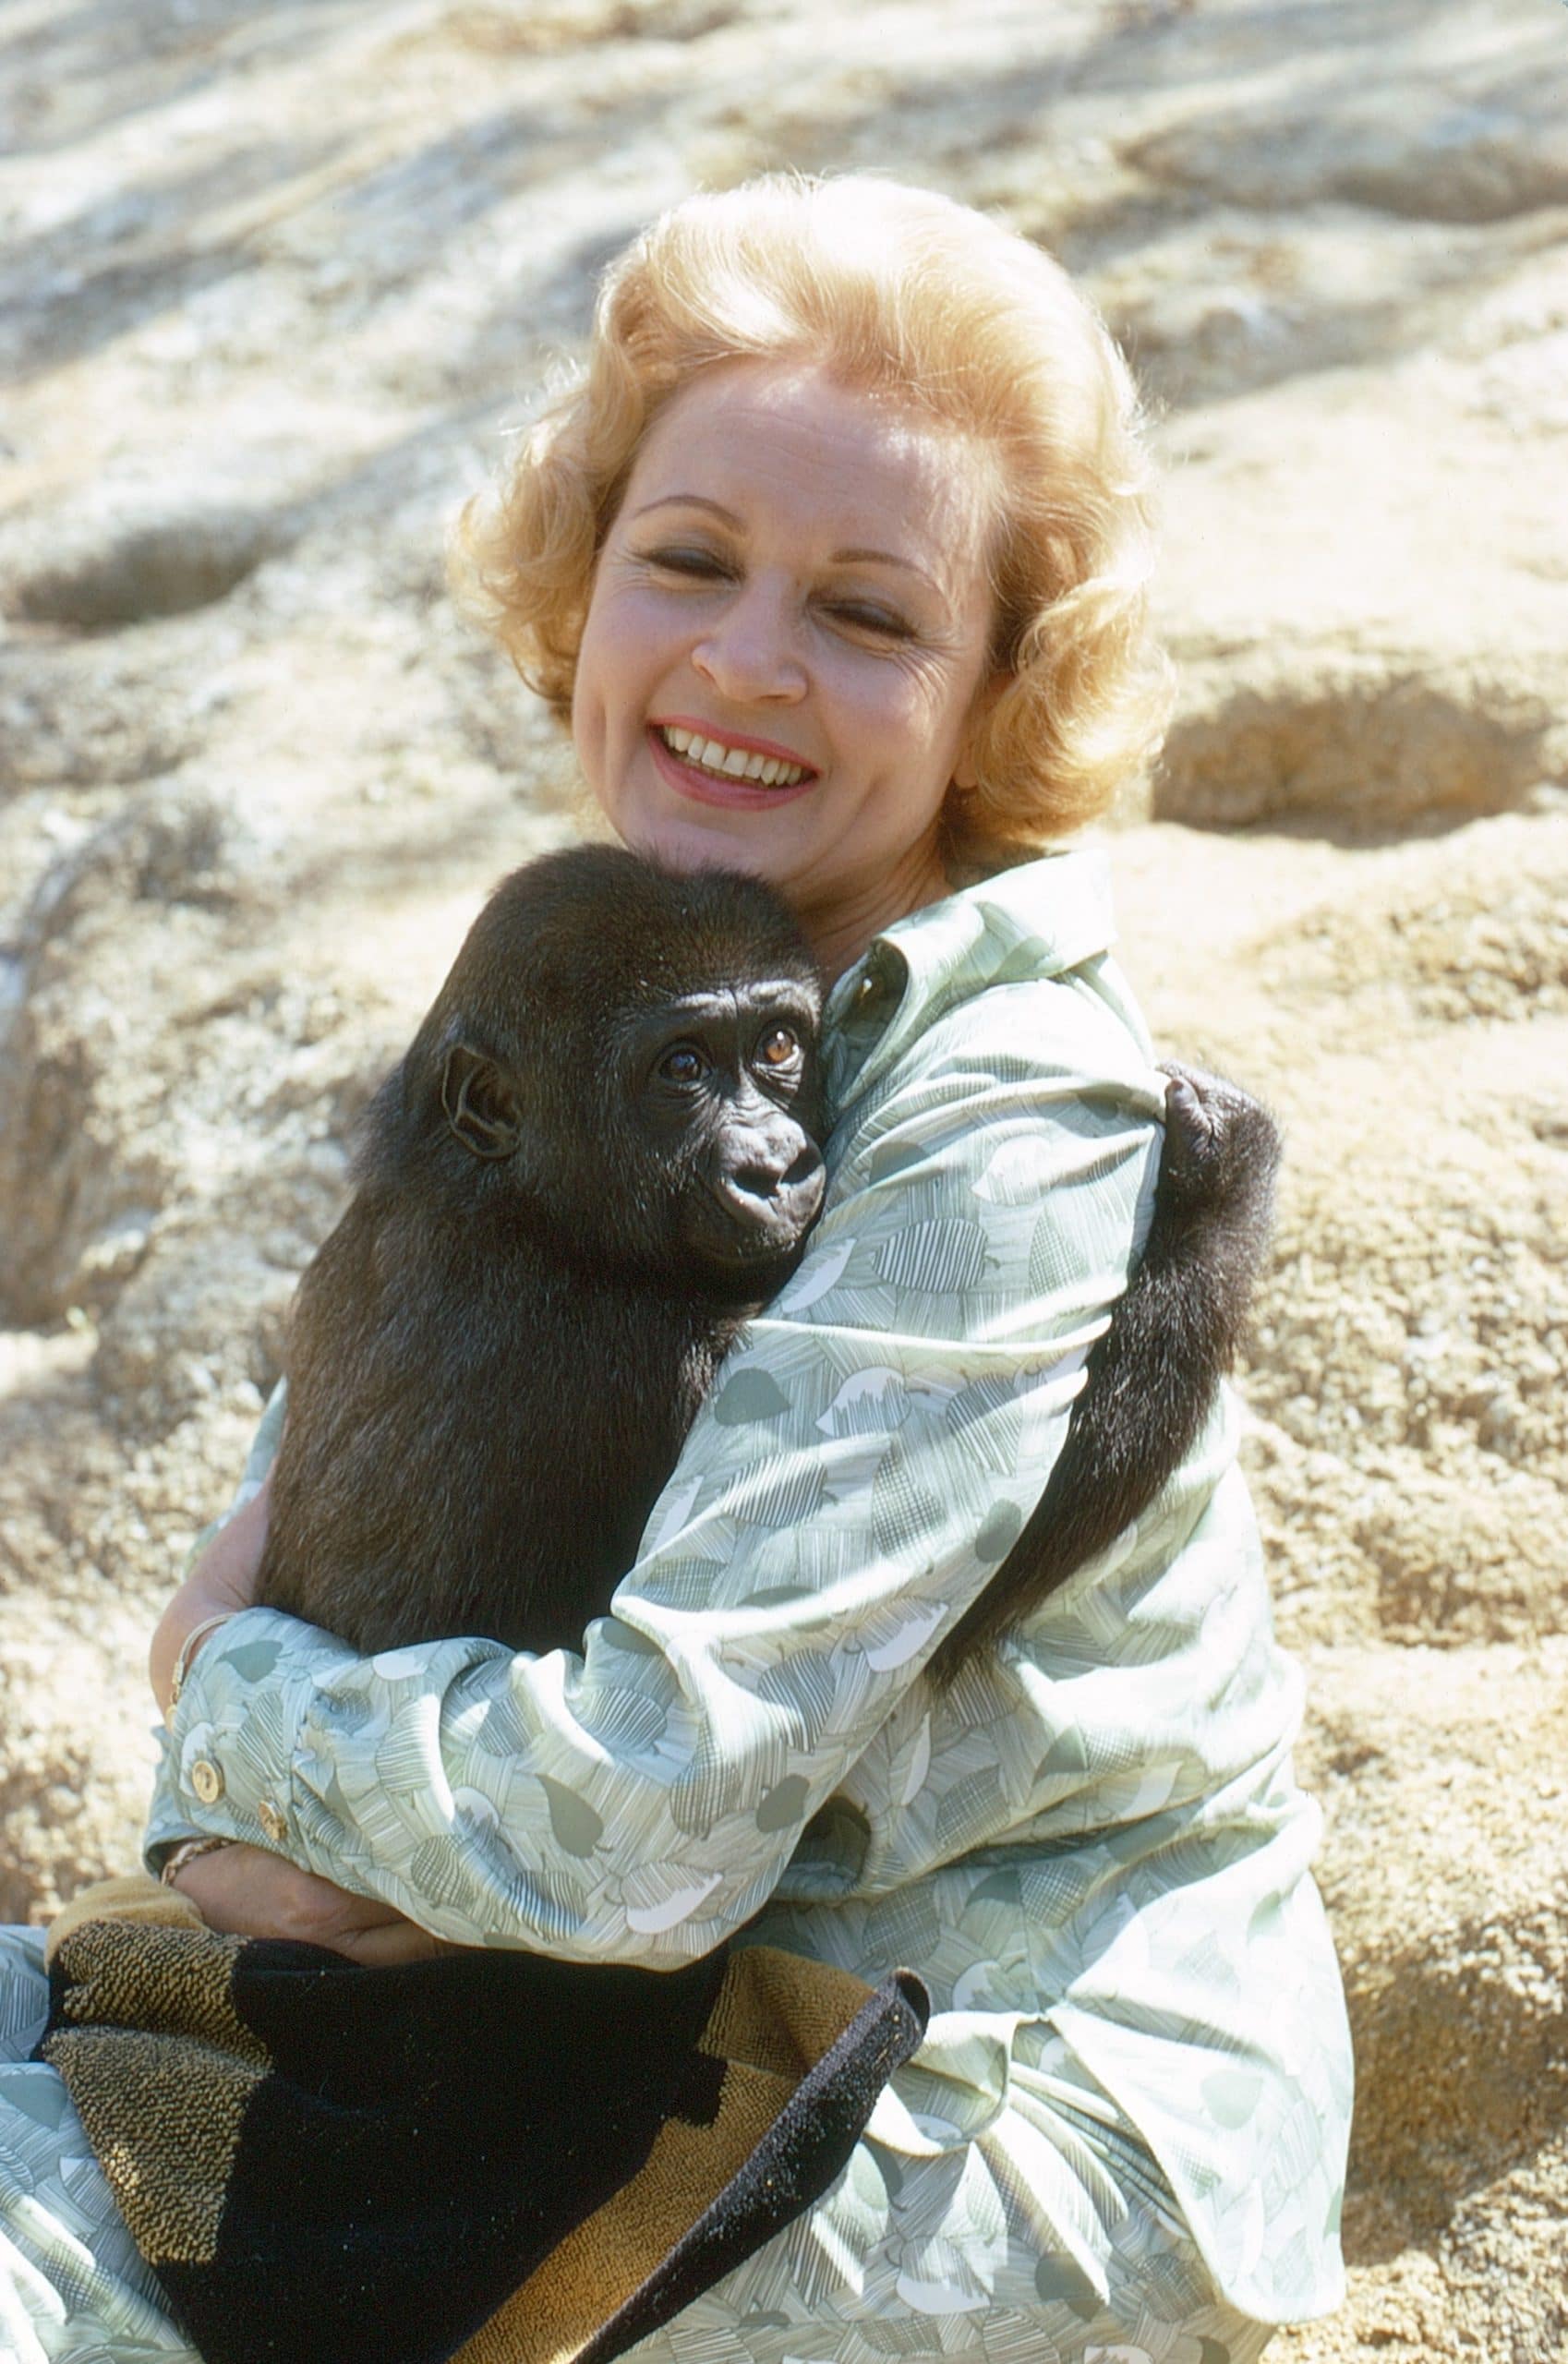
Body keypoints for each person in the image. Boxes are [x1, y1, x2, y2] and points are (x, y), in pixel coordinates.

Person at [0, 174, 1351, 2363]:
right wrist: (259, 1759)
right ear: (584, 576)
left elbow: (623, 1815)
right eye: (693, 561)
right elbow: (351, 1592)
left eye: (869, 612)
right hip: (567, 2010)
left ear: (1003, 685)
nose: (744, 658)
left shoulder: (1012, 1118)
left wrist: (222, 1693)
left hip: (985, 2093)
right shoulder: (575, 984)